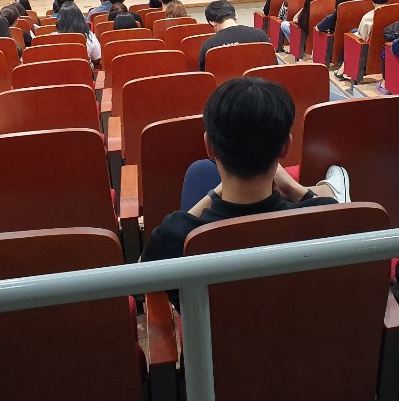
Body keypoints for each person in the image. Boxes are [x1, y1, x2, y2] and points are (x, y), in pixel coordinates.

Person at [140, 77, 349, 288]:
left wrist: (216, 192)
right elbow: (325, 209)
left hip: (208, 311)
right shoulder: (326, 219)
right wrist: (292, 188)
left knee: (198, 171)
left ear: (209, 146)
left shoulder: (175, 236)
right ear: (286, 147)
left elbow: (139, 279)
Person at [198, 0, 271, 71]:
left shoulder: (208, 45)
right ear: (236, 16)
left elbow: (206, 74)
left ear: (212, 22)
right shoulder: (260, 35)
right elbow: (271, 65)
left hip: (225, 79)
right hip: (259, 79)